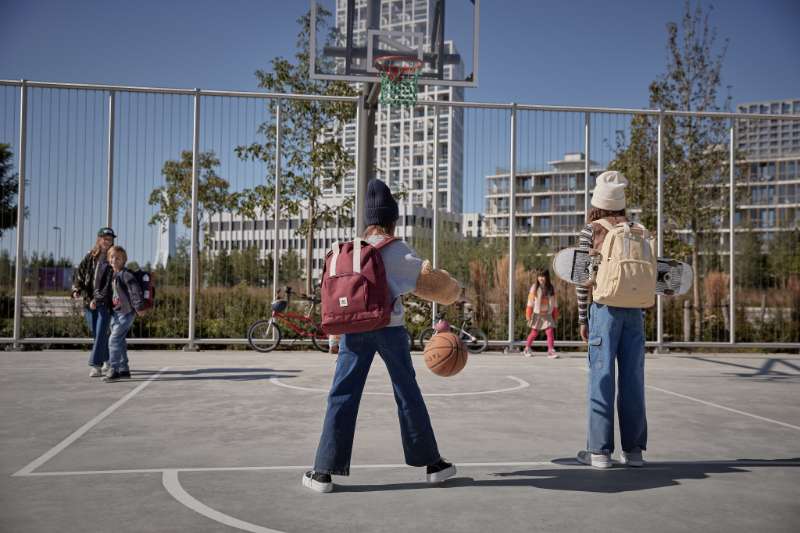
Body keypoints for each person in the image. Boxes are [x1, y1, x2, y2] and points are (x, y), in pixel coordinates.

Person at [303, 179, 462, 493]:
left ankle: (323, 471)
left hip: (354, 330)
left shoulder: (350, 250)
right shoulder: (396, 250)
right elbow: (432, 284)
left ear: (368, 220)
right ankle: (433, 464)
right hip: (390, 330)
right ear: (392, 218)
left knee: (342, 394)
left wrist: (336, 337)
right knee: (407, 393)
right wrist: (456, 291)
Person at [575, 171, 648, 469]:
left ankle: (599, 452)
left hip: (604, 310)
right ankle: (634, 452)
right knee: (633, 379)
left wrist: (583, 318)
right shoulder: (639, 230)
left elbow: (582, 279)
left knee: (601, 379)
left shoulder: (591, 231)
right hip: (635, 312)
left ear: (597, 201)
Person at [71, 227, 116, 378]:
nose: (108, 241)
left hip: (105, 302)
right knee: (97, 334)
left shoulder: (113, 257)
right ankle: (108, 361)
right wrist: (77, 289)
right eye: (105, 238)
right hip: (89, 301)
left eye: (110, 239)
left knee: (102, 331)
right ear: (99, 239)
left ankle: (96, 365)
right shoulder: (90, 256)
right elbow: (79, 274)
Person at [103, 246, 147, 382]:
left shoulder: (126, 274)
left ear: (124, 260)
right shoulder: (112, 274)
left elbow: (135, 291)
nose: (114, 260)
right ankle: (124, 369)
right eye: (112, 257)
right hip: (116, 313)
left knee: (114, 339)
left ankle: (114, 369)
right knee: (119, 340)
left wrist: (139, 307)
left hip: (126, 313)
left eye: (118, 258)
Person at [522, 268, 559, 358]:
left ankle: (550, 350)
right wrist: (528, 314)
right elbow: (530, 302)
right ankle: (527, 348)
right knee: (534, 332)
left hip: (547, 314)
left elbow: (555, 303)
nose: (541, 278)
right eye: (539, 276)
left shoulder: (551, 288)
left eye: (543, 276)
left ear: (547, 277)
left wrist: (555, 314)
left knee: (550, 332)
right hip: (537, 314)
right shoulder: (534, 288)